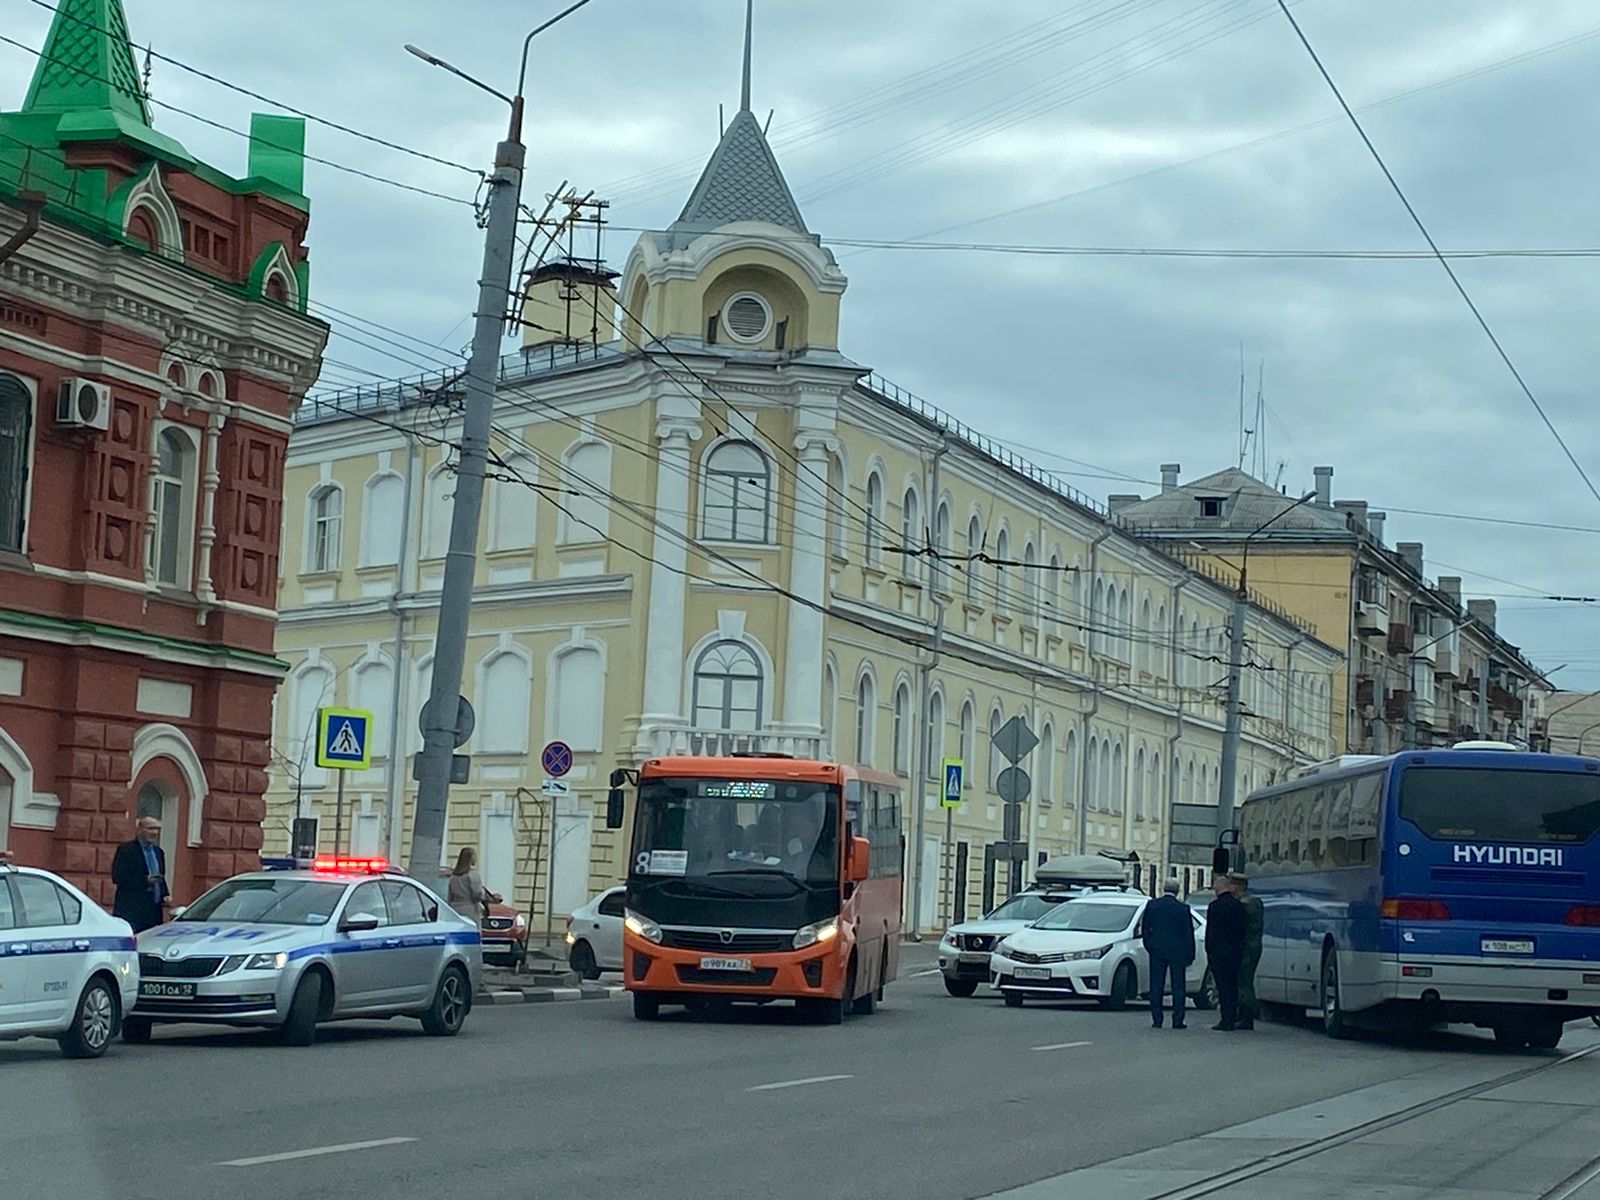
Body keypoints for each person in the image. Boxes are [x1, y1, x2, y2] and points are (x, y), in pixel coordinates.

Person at [1141, 879, 1196, 1030]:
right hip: (1177, 951)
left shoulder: (1152, 905)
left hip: (1157, 950)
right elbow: (1188, 933)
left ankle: (1157, 1019)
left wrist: (1149, 946)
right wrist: (1190, 954)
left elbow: (1145, 928)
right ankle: (1178, 1020)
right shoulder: (1183, 908)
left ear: (1163, 888)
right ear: (1177, 891)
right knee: (1178, 986)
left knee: (1156, 985)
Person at [111, 815, 170, 932]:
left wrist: (165, 894)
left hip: (153, 910)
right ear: (140, 829)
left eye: (157, 829)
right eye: (151, 829)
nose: (154, 832)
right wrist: (145, 881)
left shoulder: (159, 852)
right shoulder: (127, 850)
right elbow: (118, 877)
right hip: (132, 909)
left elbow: (160, 876)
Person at [1204, 872, 1247, 1032]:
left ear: (1220, 888)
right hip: (1235, 952)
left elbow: (1211, 933)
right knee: (1233, 986)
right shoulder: (1239, 906)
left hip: (1219, 953)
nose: (1214, 889)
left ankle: (1225, 1020)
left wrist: (1209, 951)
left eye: (1215, 886)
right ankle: (1232, 1017)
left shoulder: (1215, 907)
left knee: (1222, 987)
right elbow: (1242, 931)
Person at [1232, 871, 1264, 1031]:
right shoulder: (1252, 901)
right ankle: (1244, 1015)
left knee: (1244, 983)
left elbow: (1243, 926)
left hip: (1247, 948)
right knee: (1244, 982)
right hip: (1251, 946)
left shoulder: (1247, 903)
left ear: (1238, 886)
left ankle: (1246, 1016)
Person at [447, 847, 501, 919]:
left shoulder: (453, 876)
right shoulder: (473, 874)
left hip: (455, 909)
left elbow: (450, 896)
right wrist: (491, 898)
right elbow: (478, 894)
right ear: (471, 859)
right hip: (470, 910)